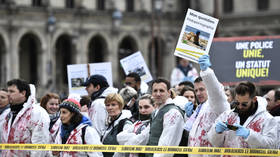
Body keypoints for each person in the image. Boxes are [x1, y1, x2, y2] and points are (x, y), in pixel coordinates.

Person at [208, 81, 278, 155]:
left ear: (254, 99)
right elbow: (213, 142)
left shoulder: (267, 119)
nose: (240, 107)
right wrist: (216, 132)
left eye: (244, 104)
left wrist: (250, 135)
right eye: (237, 103)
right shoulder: (227, 115)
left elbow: (272, 147)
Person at [186, 55, 230, 157]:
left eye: (201, 89)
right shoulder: (200, 108)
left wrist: (206, 72)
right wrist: (188, 117)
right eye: (196, 90)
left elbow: (215, 92)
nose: (198, 93)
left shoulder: (217, 103)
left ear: (208, 89)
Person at [1, 79, 50, 156]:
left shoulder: (37, 113)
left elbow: (39, 145)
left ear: (23, 93)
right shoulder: (6, 114)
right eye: (8, 91)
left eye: (12, 91)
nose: (8, 94)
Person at [146, 78, 185, 157]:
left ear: (169, 92)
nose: (158, 94)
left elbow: (167, 144)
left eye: (161, 91)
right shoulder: (156, 111)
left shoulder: (173, 112)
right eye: (155, 91)